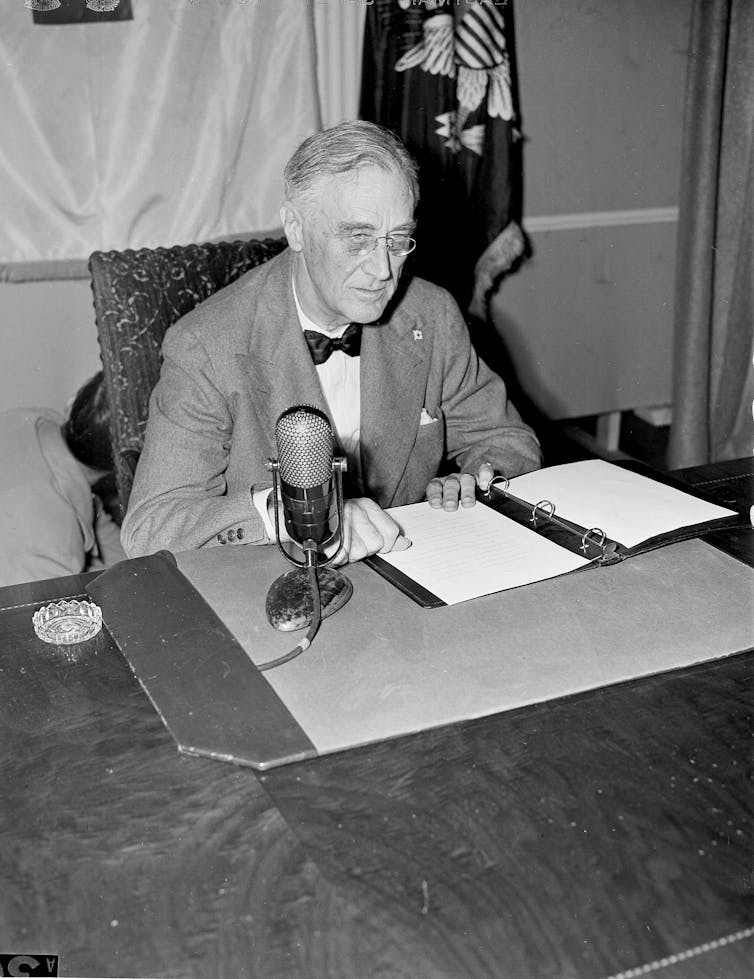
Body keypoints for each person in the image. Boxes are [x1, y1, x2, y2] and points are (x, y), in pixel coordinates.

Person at [121, 121, 541, 563]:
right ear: (296, 228)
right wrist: (293, 514)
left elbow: (506, 439)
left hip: (412, 572)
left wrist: (477, 479)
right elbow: (152, 527)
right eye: (358, 238)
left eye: (397, 240)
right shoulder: (206, 347)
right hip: (275, 585)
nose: (382, 269)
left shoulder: (430, 315)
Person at [0, 371, 126, 587]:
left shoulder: (31, 420)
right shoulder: (50, 546)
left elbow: (96, 522)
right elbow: (32, 616)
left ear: (72, 402)